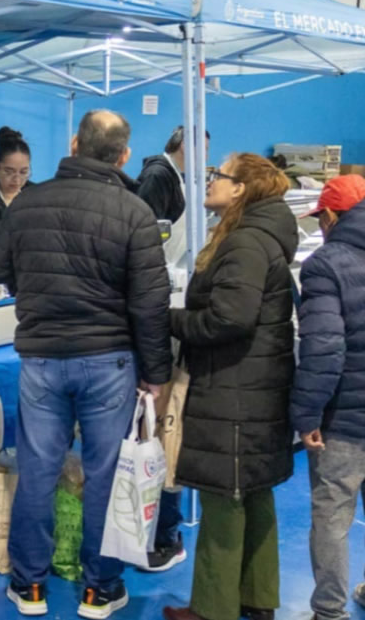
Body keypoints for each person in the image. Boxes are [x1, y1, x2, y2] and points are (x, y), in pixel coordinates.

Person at [0, 109, 172, 619]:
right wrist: (157, 375)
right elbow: (150, 305)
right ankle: (100, 588)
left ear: (74, 143)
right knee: (105, 477)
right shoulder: (134, 212)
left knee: (37, 472)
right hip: (109, 363)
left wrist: (33, 285)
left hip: (42, 359)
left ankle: (29, 586)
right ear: (123, 155)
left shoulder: (28, 202)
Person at [163, 154, 298, 620]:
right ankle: (257, 600)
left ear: (240, 189)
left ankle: (212, 609)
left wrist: (172, 321)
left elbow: (230, 318)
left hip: (234, 387)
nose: (211, 181)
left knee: (226, 495)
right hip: (255, 386)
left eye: (219, 175)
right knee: (255, 493)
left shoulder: (244, 244)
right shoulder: (260, 237)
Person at [289, 174, 365, 620]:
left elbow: (322, 348)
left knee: (333, 518)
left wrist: (307, 414)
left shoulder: (324, 264)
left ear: (332, 216)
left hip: (346, 419)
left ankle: (329, 611)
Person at [135, 126, 208, 573]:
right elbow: (151, 243)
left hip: (167, 309)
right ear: (186, 146)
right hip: (161, 318)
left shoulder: (174, 178)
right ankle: (156, 533)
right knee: (161, 439)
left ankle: (157, 528)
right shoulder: (160, 177)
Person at [136, 126, 210, 267]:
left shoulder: (179, 178)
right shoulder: (157, 176)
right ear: (185, 146)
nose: (206, 157)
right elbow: (144, 231)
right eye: (204, 149)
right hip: (155, 268)